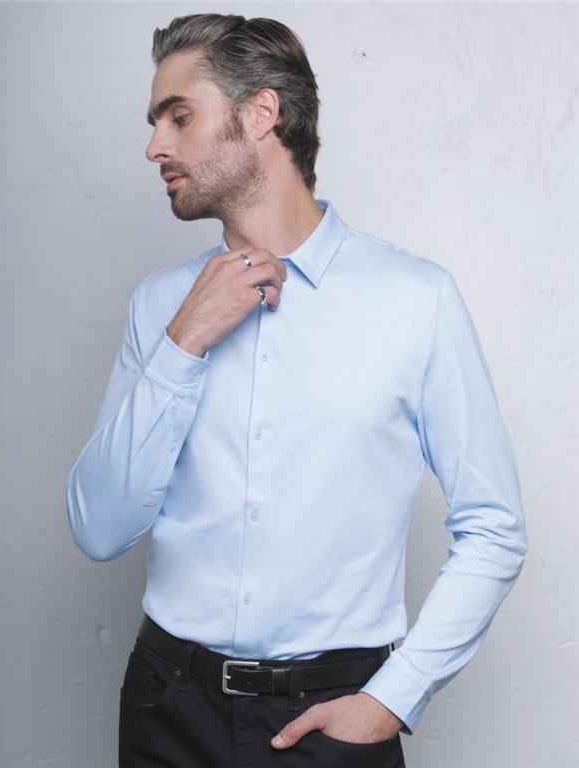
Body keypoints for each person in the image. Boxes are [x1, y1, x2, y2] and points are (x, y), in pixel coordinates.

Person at [65, 12, 528, 768]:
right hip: (166, 709)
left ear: (261, 113)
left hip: (334, 715)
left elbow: (495, 526)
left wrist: (394, 697)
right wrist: (184, 341)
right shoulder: (160, 306)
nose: (155, 147)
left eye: (179, 116)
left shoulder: (416, 299)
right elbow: (98, 528)